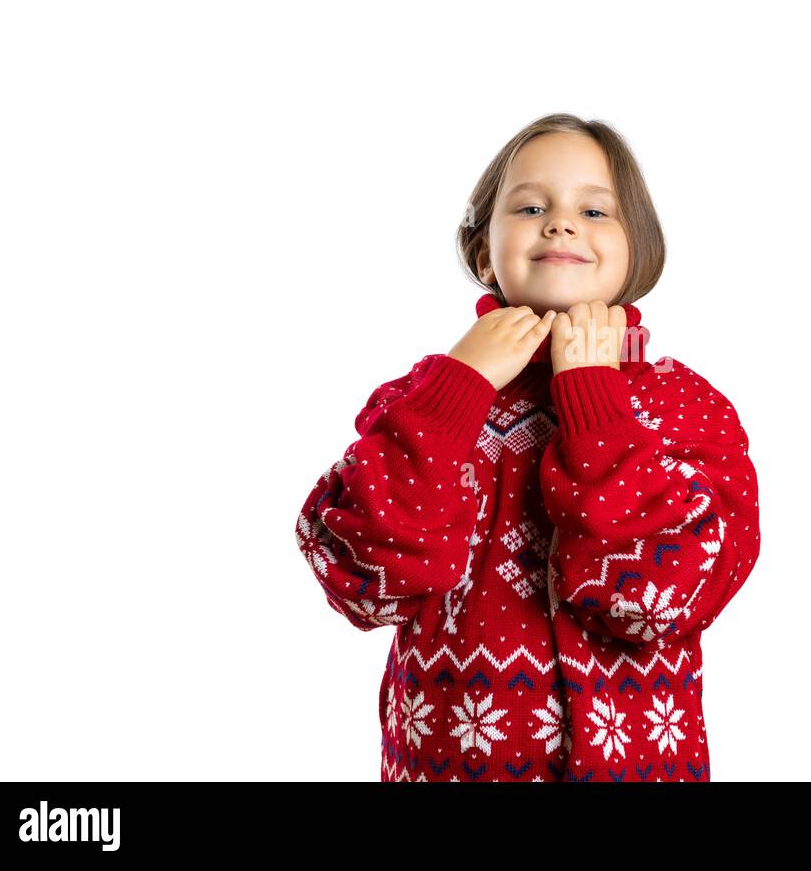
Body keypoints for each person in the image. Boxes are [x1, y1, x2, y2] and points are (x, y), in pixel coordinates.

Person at [294, 113, 761, 781]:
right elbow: (362, 580)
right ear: (484, 250)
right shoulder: (420, 400)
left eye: (595, 209)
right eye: (532, 205)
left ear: (639, 254)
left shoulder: (685, 408)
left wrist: (594, 398)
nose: (561, 223)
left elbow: (665, 598)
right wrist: (457, 391)